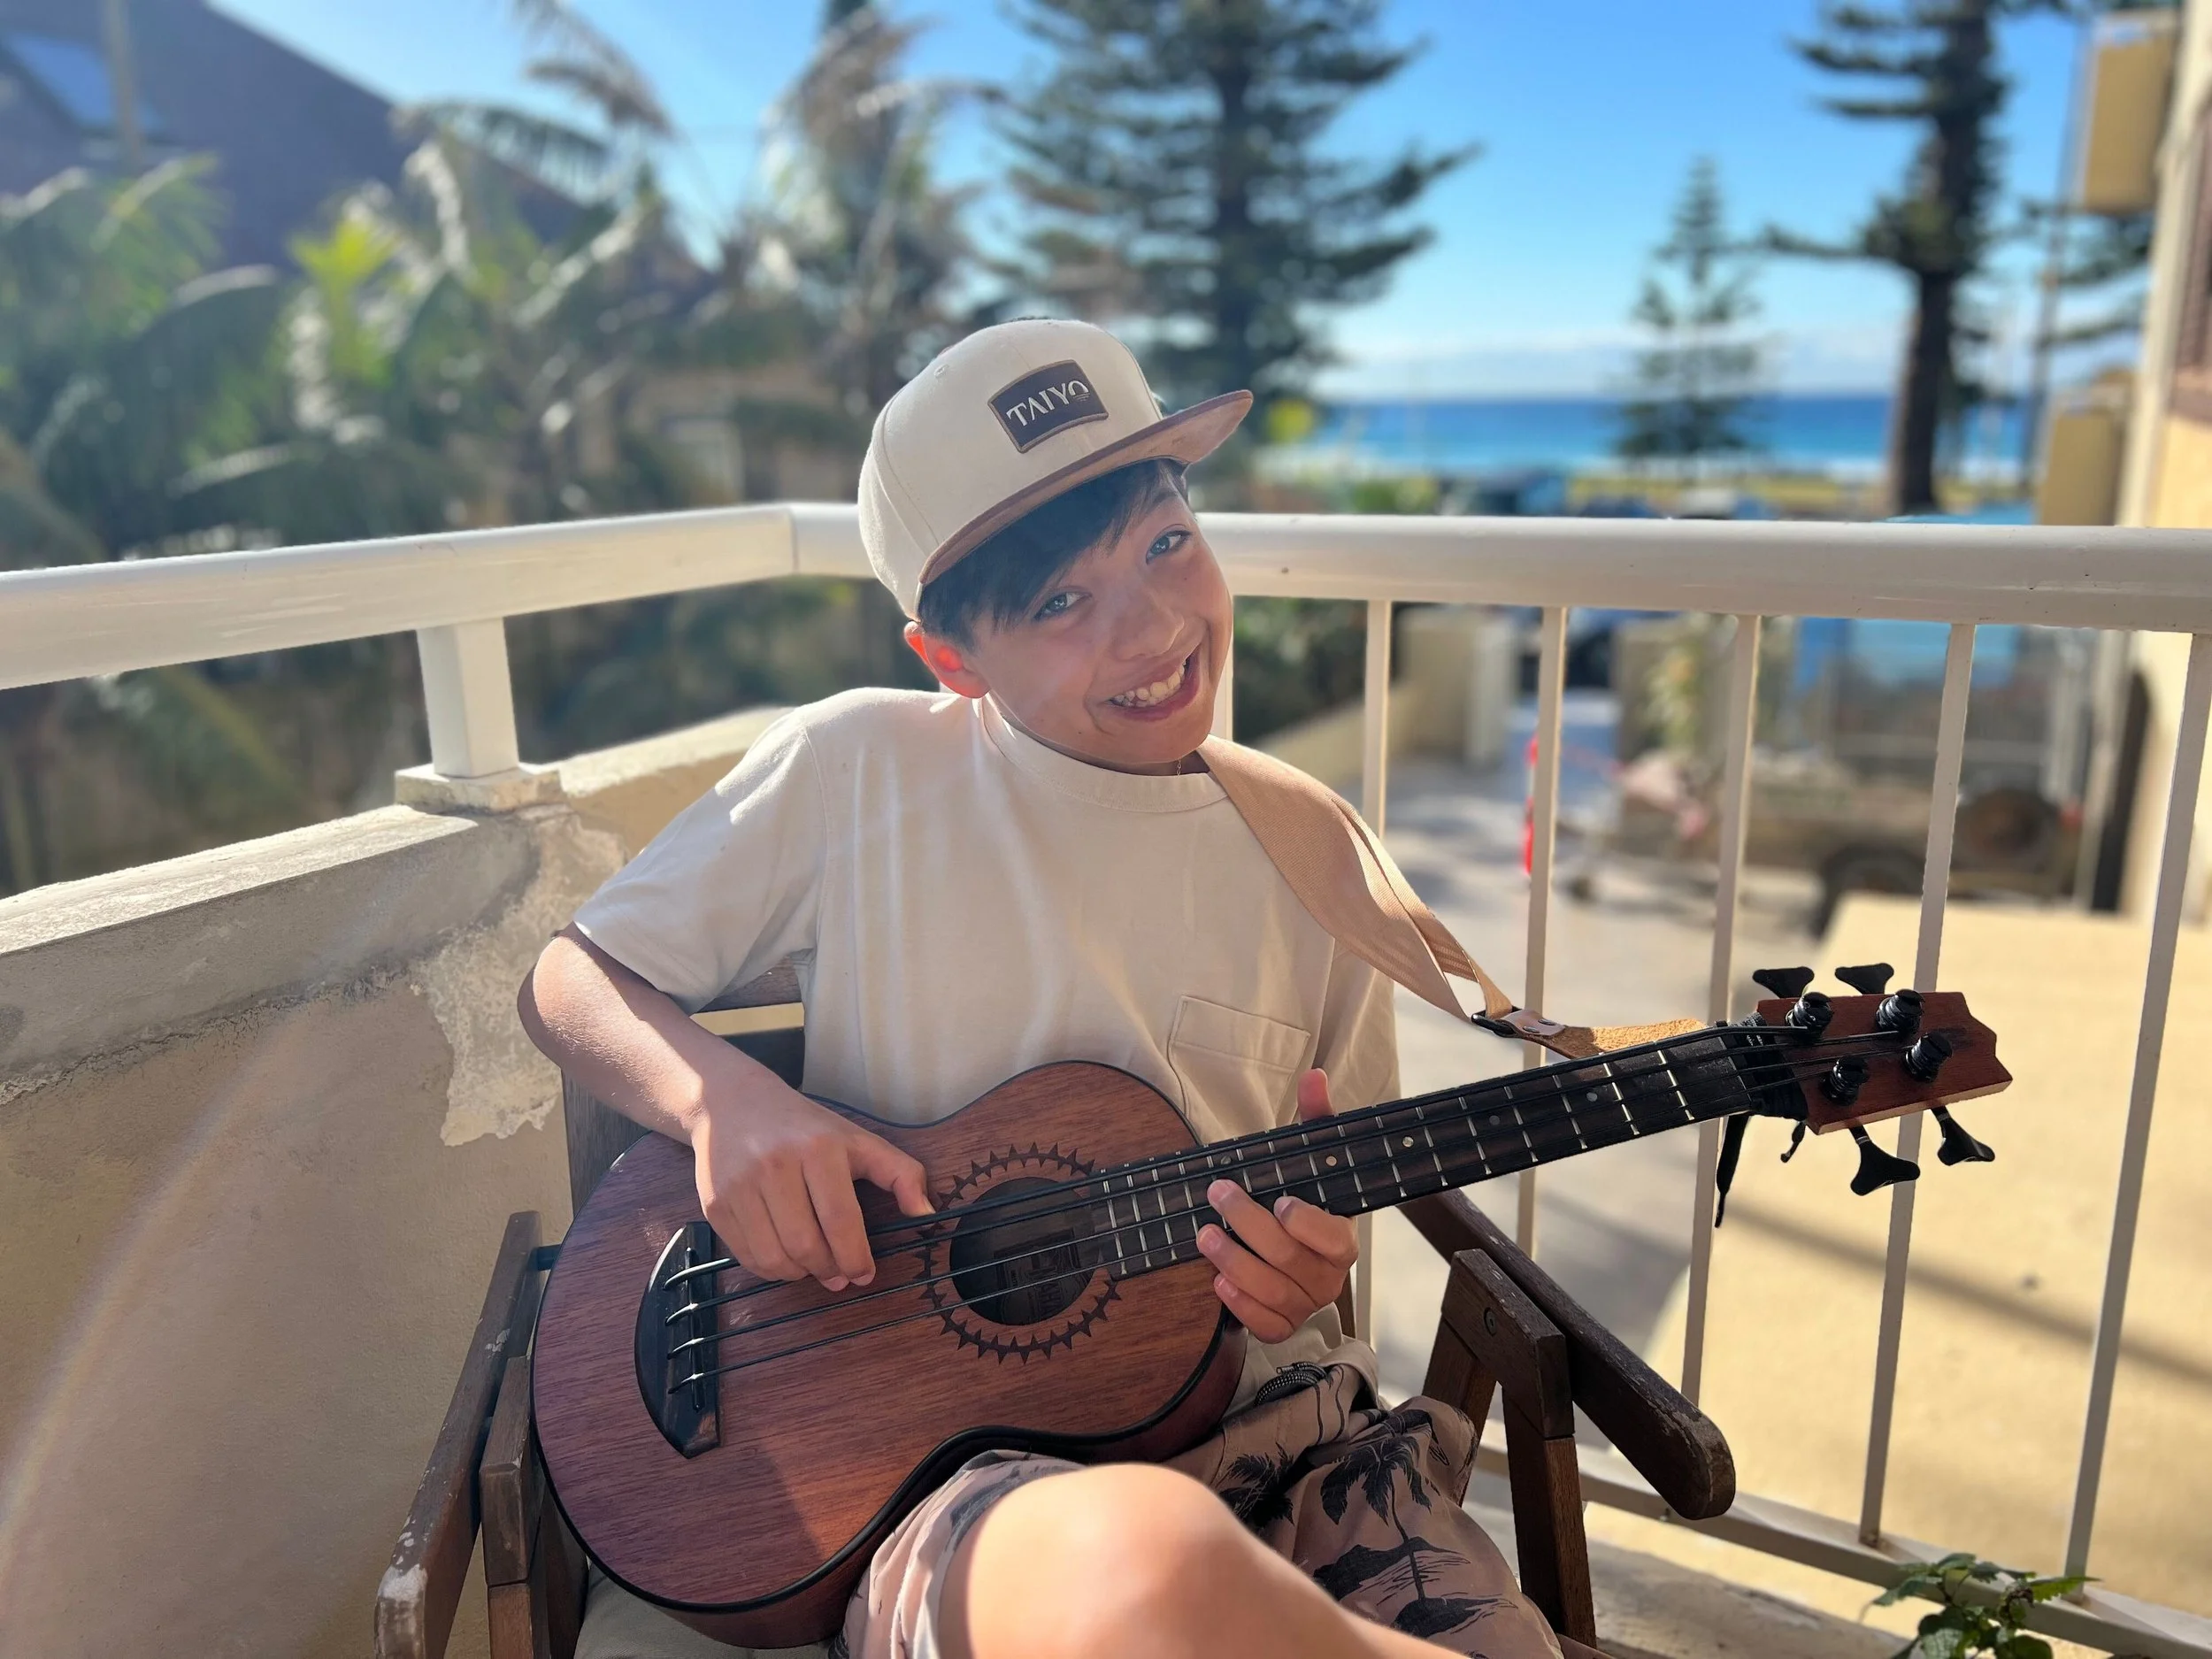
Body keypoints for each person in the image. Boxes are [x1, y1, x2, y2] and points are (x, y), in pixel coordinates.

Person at [519, 319, 1562, 1659]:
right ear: (953, 658)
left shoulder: (1312, 854)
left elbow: (1324, 1216)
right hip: (947, 1487)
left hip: (1287, 1448)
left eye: (1165, 543)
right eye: (1061, 603)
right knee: (1146, 1574)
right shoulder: (857, 778)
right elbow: (570, 977)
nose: (1153, 627)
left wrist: (1303, 1268)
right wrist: (718, 1098)